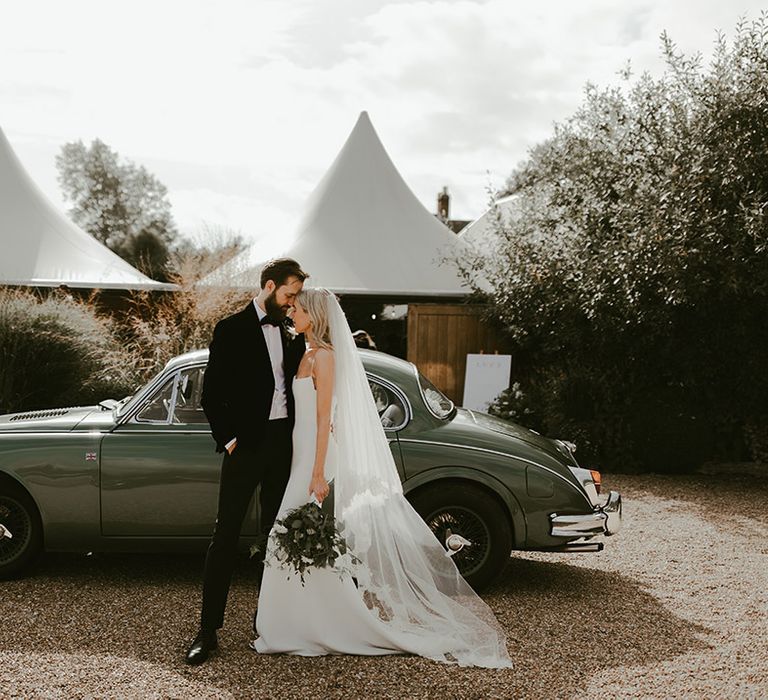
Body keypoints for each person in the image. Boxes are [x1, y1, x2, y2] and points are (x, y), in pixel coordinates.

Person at [251, 288, 512, 668]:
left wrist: (319, 471)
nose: (292, 311)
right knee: (296, 541)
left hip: (316, 458)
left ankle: (315, 626)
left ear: (316, 315)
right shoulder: (305, 354)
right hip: (302, 454)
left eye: (298, 308)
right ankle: (298, 624)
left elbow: (325, 418)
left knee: (288, 535)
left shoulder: (324, 357)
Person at [185, 258, 309, 665]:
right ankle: (207, 630)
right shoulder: (231, 328)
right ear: (269, 286)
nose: (292, 302)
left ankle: (268, 622)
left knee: (277, 536)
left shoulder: (292, 330)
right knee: (225, 536)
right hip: (246, 446)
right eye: (289, 294)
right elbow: (212, 394)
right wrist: (231, 440)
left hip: (282, 446)